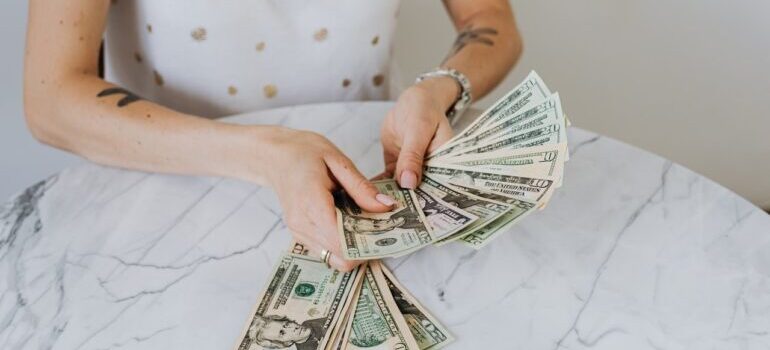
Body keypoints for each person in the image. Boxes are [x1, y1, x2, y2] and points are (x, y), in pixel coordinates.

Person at [23, 0, 523, 271]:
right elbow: (50, 98)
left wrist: (440, 88)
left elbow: (490, 19)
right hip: (167, 202)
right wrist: (268, 154)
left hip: (365, 170)